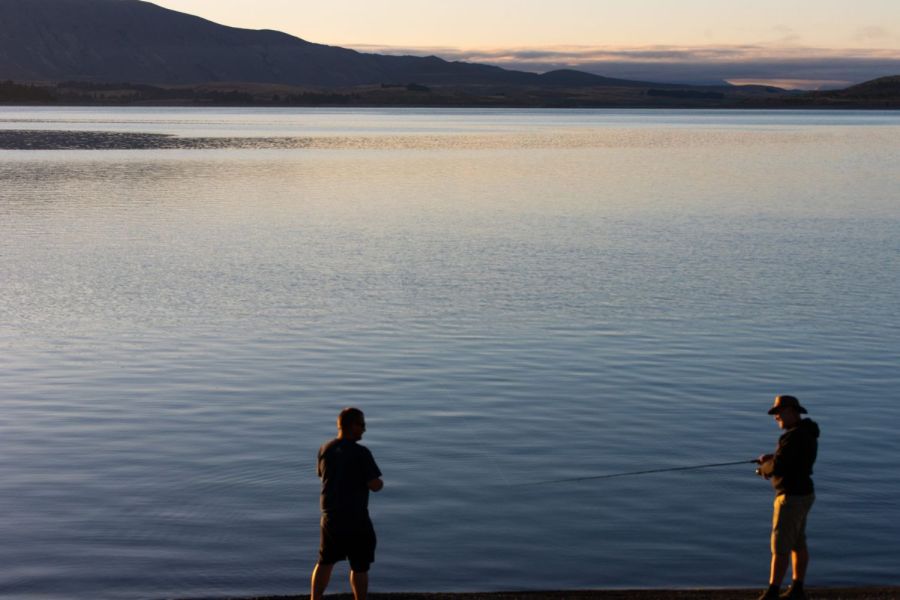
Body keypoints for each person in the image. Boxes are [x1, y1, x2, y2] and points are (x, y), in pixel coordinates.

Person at [311, 408, 383, 600]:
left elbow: (321, 475)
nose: (364, 429)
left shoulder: (325, 449)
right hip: (355, 518)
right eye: (362, 425)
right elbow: (375, 485)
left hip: (330, 516)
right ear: (352, 426)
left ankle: (314, 598)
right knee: (359, 565)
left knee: (325, 562)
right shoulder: (361, 453)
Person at [756, 395, 820, 600]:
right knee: (798, 543)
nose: (776, 417)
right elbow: (790, 460)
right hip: (805, 493)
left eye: (779, 413)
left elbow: (780, 466)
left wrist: (764, 469)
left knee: (780, 545)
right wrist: (772, 458)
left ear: (792, 411)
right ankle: (797, 588)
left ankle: (772, 592)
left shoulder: (792, 437)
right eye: (775, 414)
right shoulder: (806, 432)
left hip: (790, 498)